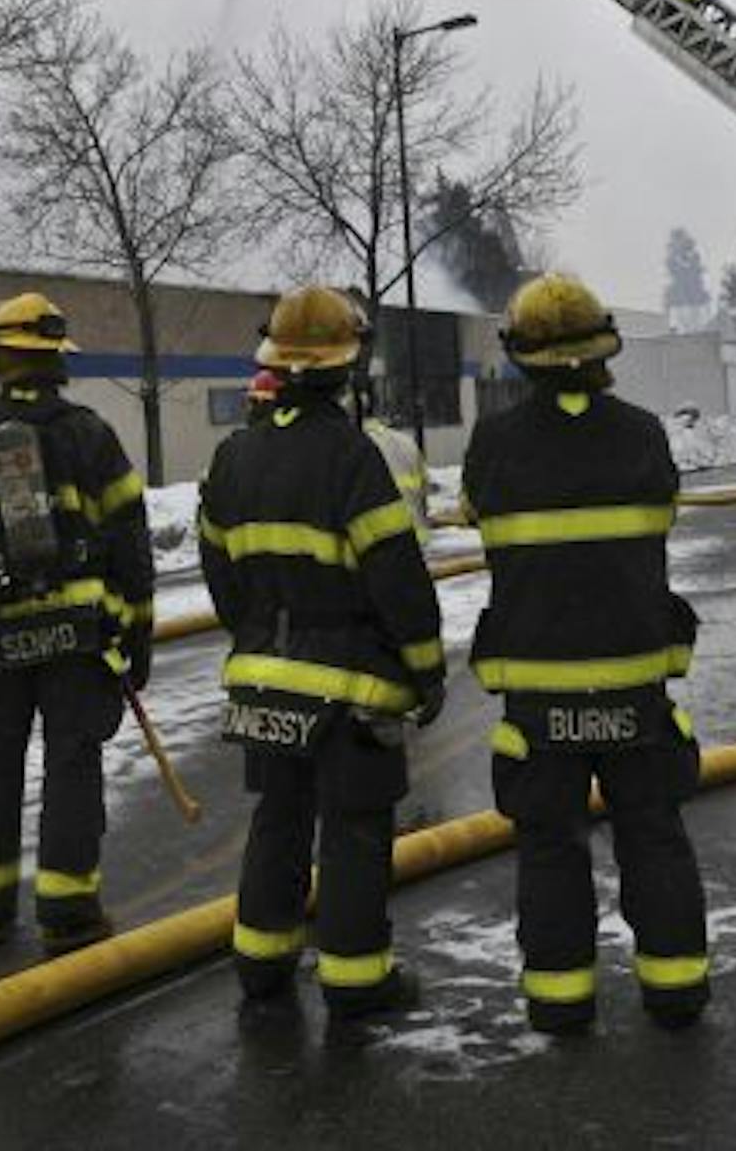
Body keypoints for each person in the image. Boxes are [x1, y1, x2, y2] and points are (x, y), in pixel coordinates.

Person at [459, 272, 710, 1035]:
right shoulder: (641, 433)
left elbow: (475, 511)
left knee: (549, 847)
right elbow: (661, 511)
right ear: (605, 349)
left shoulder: (494, 443)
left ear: (519, 356)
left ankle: (560, 1002)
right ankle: (675, 990)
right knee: (653, 831)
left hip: (537, 694)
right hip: (636, 683)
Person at [199, 284, 446, 1019]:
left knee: (278, 814)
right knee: (354, 824)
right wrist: (426, 668)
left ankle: (261, 962)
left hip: (264, 677)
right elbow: (396, 575)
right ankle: (355, 975)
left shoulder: (233, 455)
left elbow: (220, 569)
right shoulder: (352, 457)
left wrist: (256, 635)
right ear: (348, 367)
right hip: (350, 687)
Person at [0, 291, 155, 956]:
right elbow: (132, 549)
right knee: (72, 768)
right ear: (54, 360)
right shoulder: (91, 436)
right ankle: (68, 910)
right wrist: (135, 635)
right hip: (78, 642)